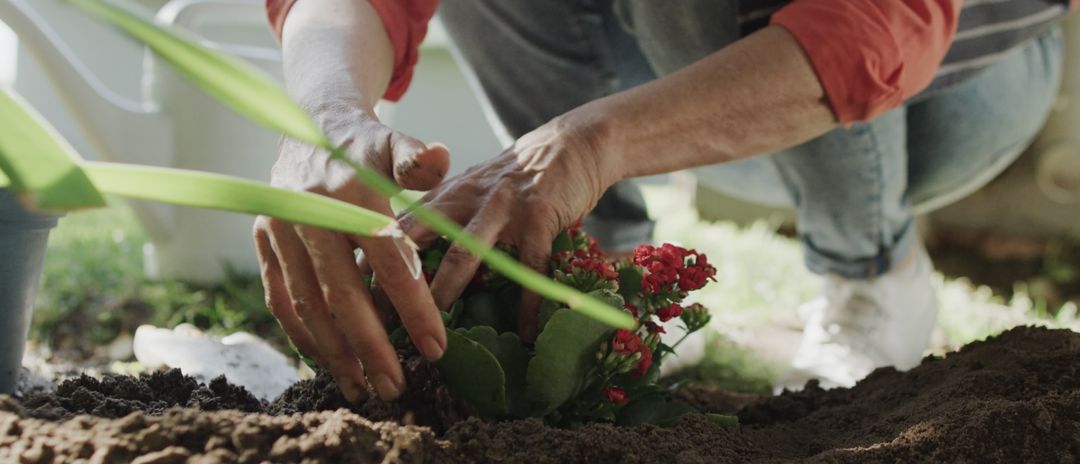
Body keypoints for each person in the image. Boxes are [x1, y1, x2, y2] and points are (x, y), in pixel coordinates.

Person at [257, 0, 1073, 401]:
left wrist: (591, 141)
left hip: (953, 90)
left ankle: (872, 272)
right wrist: (325, 116)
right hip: (688, 64)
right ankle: (596, 277)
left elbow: (871, 24)